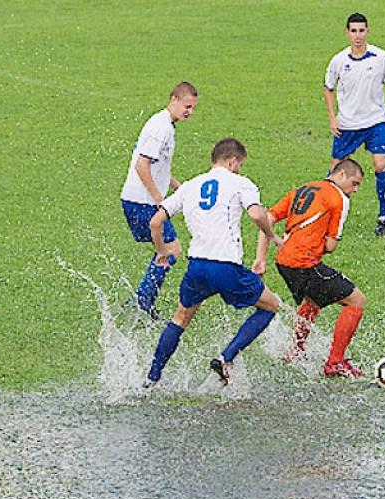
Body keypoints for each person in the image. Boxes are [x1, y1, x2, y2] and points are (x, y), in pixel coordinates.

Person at [145, 138, 283, 387]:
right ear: (232, 162)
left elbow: (155, 222)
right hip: (226, 267)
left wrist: (162, 252)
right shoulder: (241, 183)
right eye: (239, 164)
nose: (240, 169)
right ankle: (225, 357)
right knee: (271, 306)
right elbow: (256, 213)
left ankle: (152, 377)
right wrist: (271, 235)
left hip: (196, 267)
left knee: (180, 319)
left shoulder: (189, 186)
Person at [253, 159, 367, 377]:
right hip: (303, 263)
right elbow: (331, 245)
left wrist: (261, 257)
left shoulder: (303, 189)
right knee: (356, 300)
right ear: (341, 174)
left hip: (283, 263)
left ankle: (295, 351)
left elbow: (267, 217)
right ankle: (335, 362)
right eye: (354, 183)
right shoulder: (339, 198)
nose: (355, 190)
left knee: (313, 299)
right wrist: (312, 242)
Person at [120, 82, 199, 320]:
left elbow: (156, 166)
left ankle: (143, 300)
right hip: (142, 202)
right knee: (171, 249)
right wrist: (159, 199)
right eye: (187, 106)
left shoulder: (163, 124)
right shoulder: (161, 128)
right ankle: (142, 301)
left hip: (137, 200)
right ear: (174, 99)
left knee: (165, 249)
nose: (190, 112)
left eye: (193, 108)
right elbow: (141, 165)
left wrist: (178, 187)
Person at [323, 12, 385, 236]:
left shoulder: (381, 57)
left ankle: (383, 216)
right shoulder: (339, 61)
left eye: (362, 30)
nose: (358, 35)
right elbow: (328, 88)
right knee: (336, 171)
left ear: (368, 31)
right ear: (347, 32)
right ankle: (329, 213)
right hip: (347, 124)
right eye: (354, 31)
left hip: (376, 121)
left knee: (380, 165)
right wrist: (332, 118)